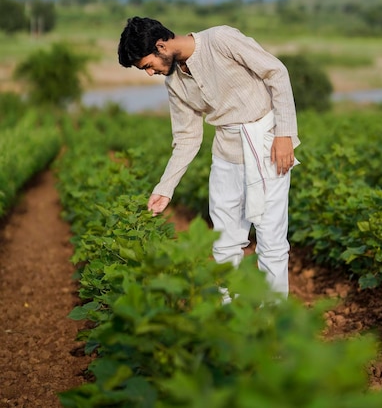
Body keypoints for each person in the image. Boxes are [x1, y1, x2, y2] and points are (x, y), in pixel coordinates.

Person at [118, 16, 300, 297]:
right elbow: (187, 137)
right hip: (225, 155)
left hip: (267, 146)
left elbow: (275, 72)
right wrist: (165, 189)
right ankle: (232, 316)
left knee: (271, 240)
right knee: (224, 242)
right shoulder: (174, 83)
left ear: (161, 46)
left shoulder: (221, 39)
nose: (149, 73)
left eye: (148, 65)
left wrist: (285, 134)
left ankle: (275, 321)